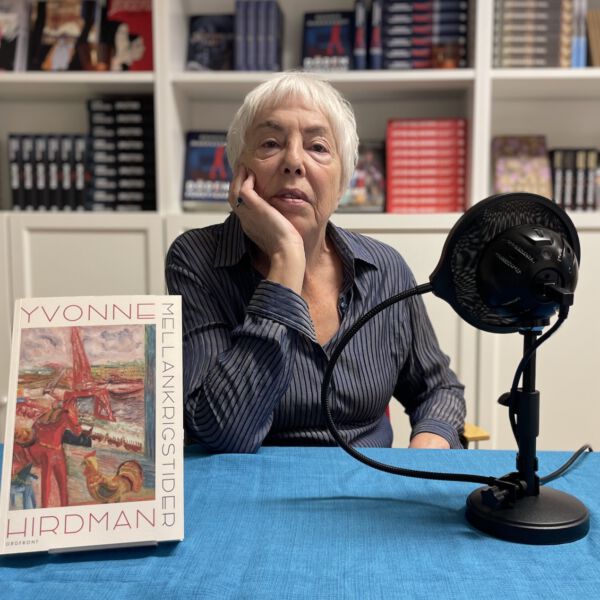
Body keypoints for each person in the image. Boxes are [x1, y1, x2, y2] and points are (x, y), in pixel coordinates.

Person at [166, 72, 466, 453]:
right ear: (239, 172)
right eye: (271, 143)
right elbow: (221, 434)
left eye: (318, 147)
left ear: (342, 183)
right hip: (249, 484)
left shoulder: (385, 269)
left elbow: (438, 388)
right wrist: (285, 260)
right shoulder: (197, 259)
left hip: (368, 480)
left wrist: (428, 447)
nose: (294, 161)